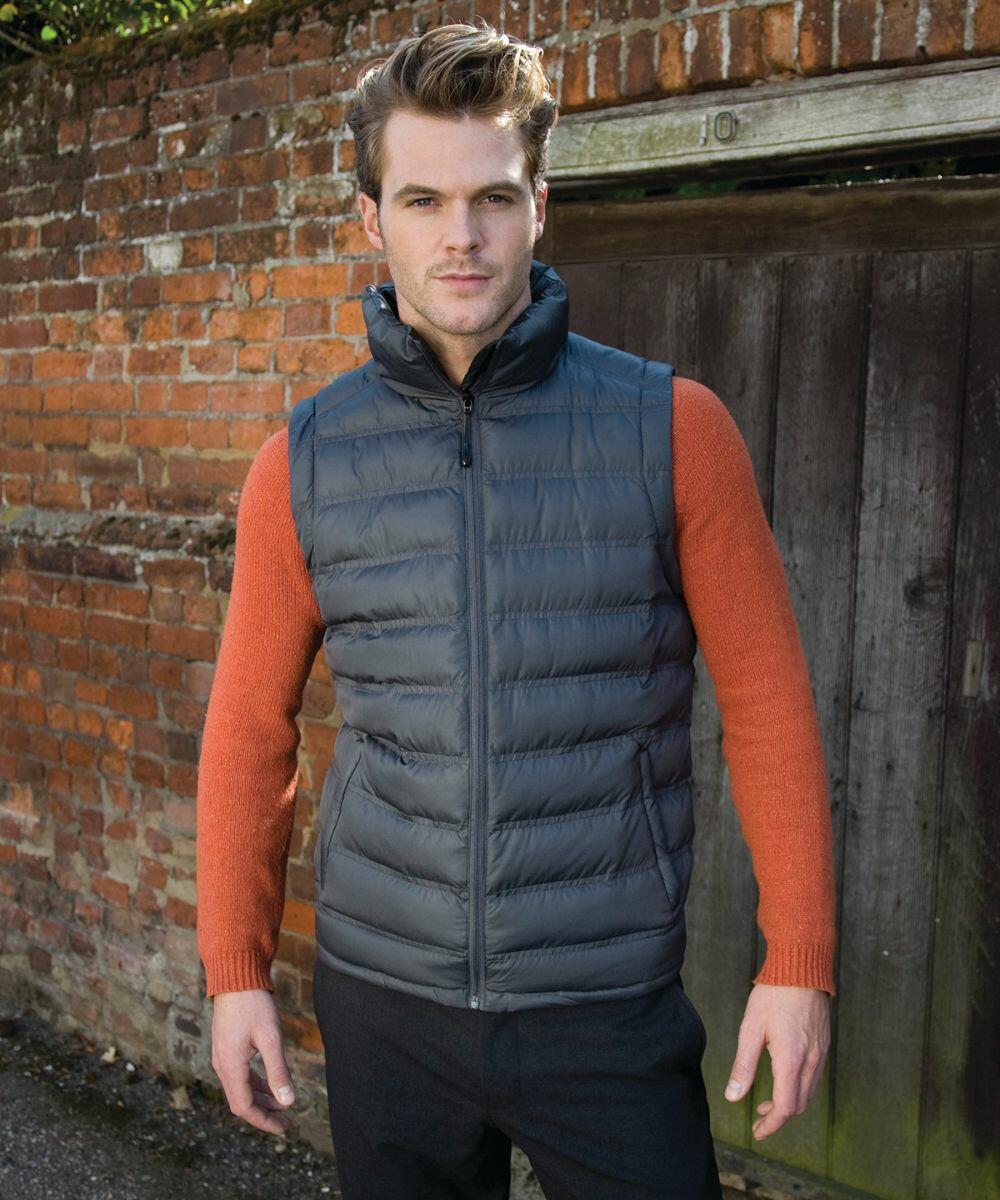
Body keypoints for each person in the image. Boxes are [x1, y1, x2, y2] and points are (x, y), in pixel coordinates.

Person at [196, 18, 837, 1199]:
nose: (460, 237)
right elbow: (249, 733)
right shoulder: (303, 462)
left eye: (493, 198)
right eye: (424, 200)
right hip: (385, 1006)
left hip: (604, 1007)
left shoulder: (676, 431)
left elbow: (769, 710)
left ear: (538, 205)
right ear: (370, 216)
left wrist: (797, 962)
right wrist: (235, 969)